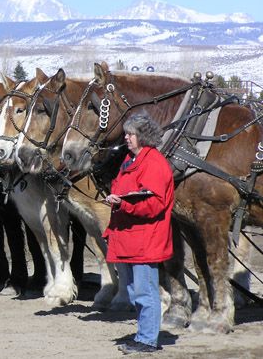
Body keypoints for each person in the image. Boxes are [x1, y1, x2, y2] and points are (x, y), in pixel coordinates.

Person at [103, 112, 174, 354]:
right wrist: (115, 200)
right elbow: (123, 191)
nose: (127, 137)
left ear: (143, 136)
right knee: (135, 293)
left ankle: (147, 340)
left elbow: (154, 204)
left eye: (131, 133)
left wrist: (122, 204)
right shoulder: (129, 161)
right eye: (126, 133)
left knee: (145, 292)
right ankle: (143, 335)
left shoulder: (153, 163)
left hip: (145, 239)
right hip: (129, 238)